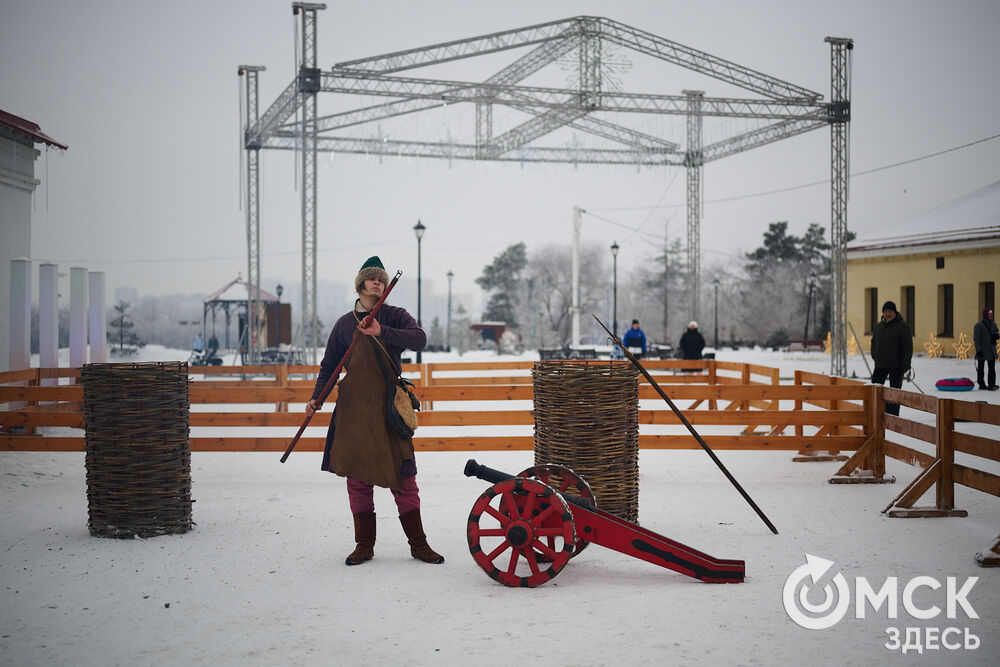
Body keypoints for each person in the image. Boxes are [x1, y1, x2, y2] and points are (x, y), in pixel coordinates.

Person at [305, 256, 443, 567]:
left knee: (404, 477)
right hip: (354, 412)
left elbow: (420, 339)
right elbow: (329, 366)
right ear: (361, 284)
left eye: (381, 278)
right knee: (357, 479)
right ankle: (363, 546)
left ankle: (419, 544)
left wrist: (383, 331)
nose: (377, 282)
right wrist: (317, 398)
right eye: (371, 278)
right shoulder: (344, 324)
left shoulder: (395, 315)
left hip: (388, 409)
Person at [870, 301, 913, 416]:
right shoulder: (878, 327)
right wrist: (875, 356)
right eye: (885, 311)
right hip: (880, 365)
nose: (887, 314)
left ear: (895, 312)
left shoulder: (903, 326)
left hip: (897, 365)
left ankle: (893, 416)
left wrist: (906, 364)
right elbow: (873, 343)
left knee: (894, 394)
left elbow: (907, 346)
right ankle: (877, 414)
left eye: (890, 311)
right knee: (874, 390)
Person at [973, 307, 999, 390]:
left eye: (992, 314)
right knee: (981, 368)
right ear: (986, 315)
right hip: (982, 350)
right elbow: (977, 339)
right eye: (990, 314)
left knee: (992, 368)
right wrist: (978, 350)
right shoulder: (978, 326)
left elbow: (996, 333)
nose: (991, 315)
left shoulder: (994, 324)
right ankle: (981, 384)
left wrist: (996, 336)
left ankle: (991, 385)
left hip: (991, 350)